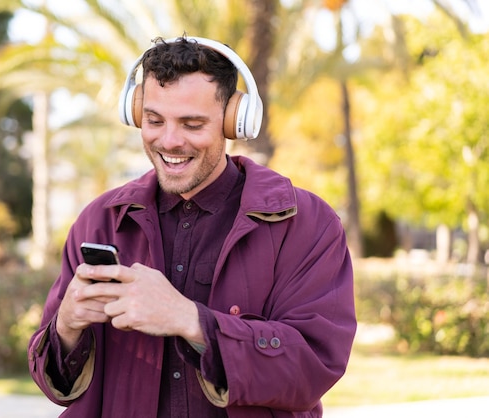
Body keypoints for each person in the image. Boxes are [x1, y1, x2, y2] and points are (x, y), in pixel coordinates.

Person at [28, 35, 356, 418]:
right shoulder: (98, 221)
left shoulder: (307, 223)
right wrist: (66, 326)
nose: (169, 140)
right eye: (154, 120)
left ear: (234, 121)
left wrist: (191, 320)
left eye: (192, 123)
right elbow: (54, 382)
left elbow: (314, 365)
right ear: (135, 113)